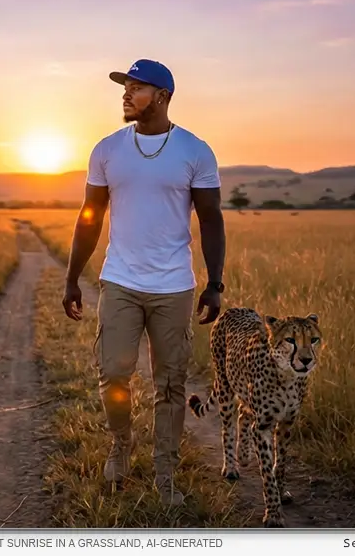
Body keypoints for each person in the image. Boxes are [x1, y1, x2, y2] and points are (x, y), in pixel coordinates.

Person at [61, 59, 226, 507]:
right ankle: (121, 445)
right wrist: (73, 278)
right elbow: (90, 216)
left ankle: (165, 470)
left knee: (170, 383)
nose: (127, 93)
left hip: (174, 286)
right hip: (120, 281)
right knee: (114, 370)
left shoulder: (195, 151)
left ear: (163, 96)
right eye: (125, 86)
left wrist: (215, 283)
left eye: (137, 87)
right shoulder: (107, 149)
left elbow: (210, 218)